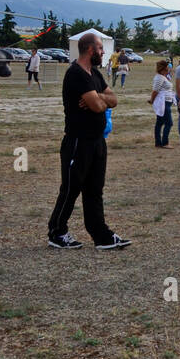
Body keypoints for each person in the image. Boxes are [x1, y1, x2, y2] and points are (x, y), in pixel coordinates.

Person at [47, 32, 130, 250]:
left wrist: (98, 97)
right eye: (101, 49)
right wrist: (100, 100)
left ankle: (101, 235)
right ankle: (57, 232)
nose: (104, 52)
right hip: (78, 141)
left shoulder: (94, 74)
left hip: (97, 141)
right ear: (90, 50)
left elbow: (113, 100)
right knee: (71, 188)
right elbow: (97, 106)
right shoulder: (76, 74)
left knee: (95, 189)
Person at [150, 59, 175, 148]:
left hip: (166, 102)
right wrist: (152, 100)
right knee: (169, 123)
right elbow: (155, 91)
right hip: (163, 103)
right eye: (167, 67)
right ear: (163, 68)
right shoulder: (159, 78)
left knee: (160, 123)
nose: (169, 69)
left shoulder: (163, 77)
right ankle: (165, 143)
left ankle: (158, 143)